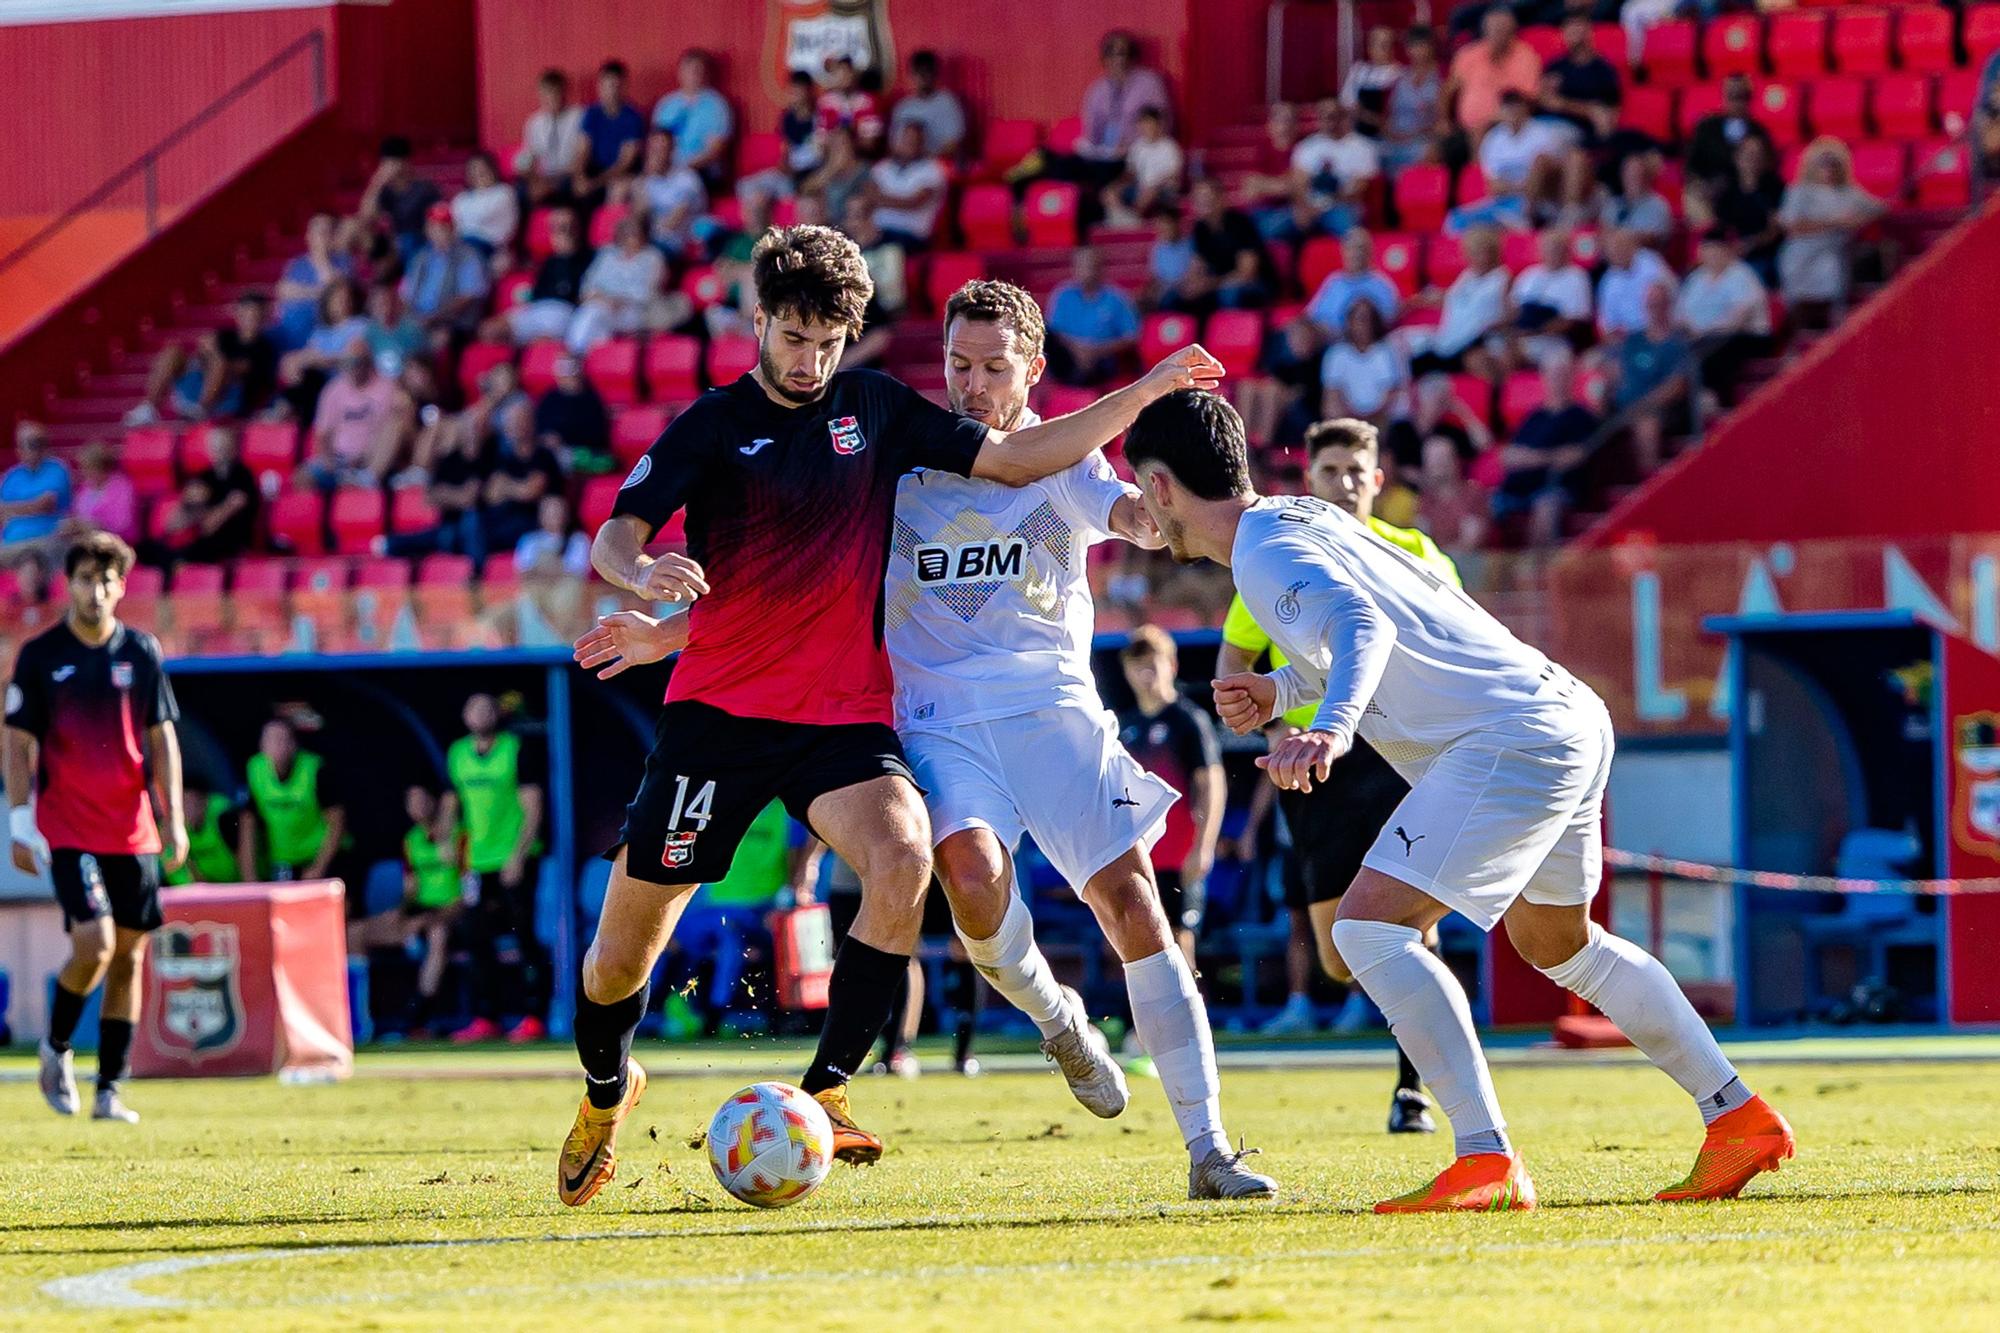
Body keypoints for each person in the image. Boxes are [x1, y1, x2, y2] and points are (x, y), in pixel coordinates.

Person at [558, 221, 1223, 1205]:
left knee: (911, 857)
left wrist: (1152, 430)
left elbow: (1022, 464)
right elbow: (622, 534)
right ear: (758, 324)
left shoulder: (879, 415)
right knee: (619, 961)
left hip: (858, 719)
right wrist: (646, 587)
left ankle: (828, 1090)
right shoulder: (715, 424)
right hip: (730, 718)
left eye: (827, 341)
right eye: (791, 337)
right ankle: (607, 1090)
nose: (808, 359)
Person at [1129, 387, 1796, 1212]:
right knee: (1562, 942)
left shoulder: (1263, 556)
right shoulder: (1303, 517)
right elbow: (1399, 625)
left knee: (1365, 927)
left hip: (1509, 739)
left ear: (1161, 487)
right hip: (1564, 715)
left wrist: (1330, 728)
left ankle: (1485, 1156)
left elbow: (1363, 631)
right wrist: (1279, 688)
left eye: (1143, 495)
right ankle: (1737, 1116)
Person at [1219, 418, 1457, 1134]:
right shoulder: (1285, 556)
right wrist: (1275, 725)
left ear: (1378, 481)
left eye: (1357, 471)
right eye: (1330, 471)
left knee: (1412, 923)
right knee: (1340, 957)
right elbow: (1233, 666)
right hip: (1318, 769)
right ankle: (1416, 1044)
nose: (1345, 483)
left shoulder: (1419, 554)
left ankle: (1416, 1086)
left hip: (1399, 756)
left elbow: (1457, 642)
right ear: (1310, 479)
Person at [11, 533, 185, 1125]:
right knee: (97, 944)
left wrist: (175, 818)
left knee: (130, 959)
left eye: (108, 580)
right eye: (87, 578)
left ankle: (110, 1087)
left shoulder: (142, 652)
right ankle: (56, 1048)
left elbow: (162, 738)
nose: (98, 590)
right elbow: (17, 744)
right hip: (68, 827)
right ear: (70, 583)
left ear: (123, 586)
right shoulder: (40, 656)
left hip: (133, 829)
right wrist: (17, 820)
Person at [1115, 628, 1225, 975]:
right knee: (1135, 937)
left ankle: (1190, 1021)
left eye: (1153, 664)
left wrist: (1203, 846)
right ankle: (1144, 1025)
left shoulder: (1188, 720)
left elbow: (1212, 785)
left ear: (1171, 665)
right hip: (1138, 853)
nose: (1145, 673)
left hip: (1178, 853)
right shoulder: (1125, 726)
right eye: (1137, 665)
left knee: (1179, 938)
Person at [445, 693, 547, 1044]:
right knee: (475, 936)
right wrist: (447, 843)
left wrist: (518, 856)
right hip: (477, 862)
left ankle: (535, 1015)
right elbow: (451, 802)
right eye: (473, 708)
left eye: (487, 708)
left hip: (513, 858)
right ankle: (485, 1017)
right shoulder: (458, 753)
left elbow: (533, 806)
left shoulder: (514, 749)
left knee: (524, 936)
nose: (480, 714)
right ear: (464, 715)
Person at [346, 785, 463, 1035]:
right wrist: (398, 913)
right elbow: (411, 890)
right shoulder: (411, 841)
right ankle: (358, 1020)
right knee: (355, 932)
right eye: (412, 802)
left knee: (437, 934)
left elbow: (467, 896)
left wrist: (427, 920)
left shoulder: (461, 839)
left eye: (423, 799)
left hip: (450, 917)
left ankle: (418, 1017)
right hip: (420, 915)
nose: (418, 807)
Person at [1492, 358, 1600, 546]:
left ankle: (1537, 571)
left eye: (1561, 375)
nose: (1556, 380)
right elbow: (1507, 456)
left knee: (1546, 506)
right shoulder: (1534, 416)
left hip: (1555, 488)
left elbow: (1573, 456)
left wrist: (1529, 457)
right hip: (1516, 489)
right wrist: (1548, 457)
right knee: (1477, 505)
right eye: (1552, 375)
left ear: (1571, 378)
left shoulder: (1581, 417)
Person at [1776, 138, 1885, 322]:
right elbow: (1793, 227)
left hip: (1834, 255)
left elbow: (1880, 209)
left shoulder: (1850, 192)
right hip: (1802, 255)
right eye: (1823, 164)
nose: (1829, 169)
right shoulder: (1799, 191)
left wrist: (1860, 220)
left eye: (1834, 164)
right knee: (1799, 307)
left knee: (1834, 300)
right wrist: (1836, 223)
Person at [129, 292, 279, 426]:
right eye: (246, 313)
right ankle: (149, 408)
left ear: (264, 317)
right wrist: (205, 354)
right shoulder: (223, 335)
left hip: (228, 400)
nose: (250, 319)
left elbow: (239, 369)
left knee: (220, 364)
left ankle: (202, 410)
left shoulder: (264, 348)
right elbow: (200, 355)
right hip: (200, 385)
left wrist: (213, 356)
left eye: (255, 315)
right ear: (238, 313)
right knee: (172, 352)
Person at [243, 718, 348, 894]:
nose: (277, 746)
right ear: (262, 745)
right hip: (284, 859)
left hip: (320, 855)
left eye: (283, 739)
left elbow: (337, 821)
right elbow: (247, 823)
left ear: (294, 745)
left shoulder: (315, 769)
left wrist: (318, 868)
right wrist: (249, 876)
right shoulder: (255, 769)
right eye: (271, 740)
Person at [1676, 226, 1772, 400]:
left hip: (1745, 336)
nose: (1711, 255)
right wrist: (1692, 331)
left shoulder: (1742, 275)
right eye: (1707, 250)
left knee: (1715, 346)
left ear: (1726, 251)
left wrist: (1705, 333)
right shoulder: (1695, 279)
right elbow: (1681, 315)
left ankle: (1718, 397)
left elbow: (1738, 319)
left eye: (1716, 250)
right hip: (1701, 337)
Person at [1071, 29, 1172, 189]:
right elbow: (1091, 131)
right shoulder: (1097, 89)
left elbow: (1162, 126)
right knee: (1055, 160)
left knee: (1102, 174)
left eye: (1122, 53)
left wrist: (1131, 148)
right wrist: (1092, 146)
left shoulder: (1149, 83)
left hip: (1134, 156)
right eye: (1111, 53)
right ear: (1104, 58)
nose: (1117, 59)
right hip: (1102, 155)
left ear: (1132, 56)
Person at [306, 344, 414, 491]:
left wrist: (362, 456)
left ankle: (367, 480)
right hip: (339, 460)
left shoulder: (386, 387)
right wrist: (329, 462)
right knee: (304, 477)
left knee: (394, 424)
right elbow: (323, 434)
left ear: (367, 363)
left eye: (357, 362)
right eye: (348, 363)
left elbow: (400, 423)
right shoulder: (333, 389)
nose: (353, 368)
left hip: (371, 458)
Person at [1610, 280, 1691, 476]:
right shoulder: (1633, 340)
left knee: (1647, 425)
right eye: (1650, 304)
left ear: (1668, 305)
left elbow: (1677, 386)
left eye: (1658, 304)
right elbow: (1618, 374)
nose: (1653, 309)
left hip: (1661, 408)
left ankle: (1646, 484)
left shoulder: (1677, 343)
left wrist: (1646, 403)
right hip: (1626, 404)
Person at [1410, 225, 1508, 378]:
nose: (1475, 257)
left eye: (1480, 252)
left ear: (1493, 252)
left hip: (1478, 340)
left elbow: (1507, 313)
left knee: (1477, 361)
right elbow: (1453, 298)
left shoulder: (1502, 278)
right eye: (1472, 252)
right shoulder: (1467, 275)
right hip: (1451, 338)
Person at [569, 215, 677, 352]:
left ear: (643, 234)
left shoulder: (653, 257)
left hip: (633, 309)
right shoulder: (607, 254)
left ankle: (573, 355)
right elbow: (588, 284)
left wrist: (619, 300)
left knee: (592, 314)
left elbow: (650, 292)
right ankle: (592, 364)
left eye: (634, 232)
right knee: (595, 321)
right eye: (626, 233)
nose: (630, 237)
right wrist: (600, 298)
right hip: (602, 304)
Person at [1044, 248, 1142, 387]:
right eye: (1083, 266)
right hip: (1069, 355)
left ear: (1101, 268)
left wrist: (1097, 350)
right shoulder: (1062, 295)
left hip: (1104, 357)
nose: (1088, 271)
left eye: (1092, 266)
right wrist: (1078, 349)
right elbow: (1054, 331)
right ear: (1075, 268)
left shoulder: (1117, 298)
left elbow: (1131, 337)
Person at [400, 206, 490, 348]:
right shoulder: (421, 257)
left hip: (450, 323)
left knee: (439, 340)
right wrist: (412, 318)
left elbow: (468, 297)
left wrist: (433, 317)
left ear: (453, 229)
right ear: (428, 230)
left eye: (444, 227)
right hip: (418, 319)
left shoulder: (468, 255)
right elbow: (406, 295)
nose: (440, 232)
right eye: (434, 227)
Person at [502, 207, 594, 345]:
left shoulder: (589, 258)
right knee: (492, 330)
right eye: (555, 228)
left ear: (577, 229)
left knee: (540, 343)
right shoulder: (549, 261)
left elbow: (579, 293)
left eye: (565, 228)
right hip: (534, 309)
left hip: (562, 310)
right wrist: (527, 295)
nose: (561, 233)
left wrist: (566, 255)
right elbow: (538, 292)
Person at [1447, 8, 1542, 137]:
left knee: (1481, 131)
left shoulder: (1526, 56)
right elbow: (1448, 90)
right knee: (1434, 150)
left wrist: (1491, 119)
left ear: (1513, 32)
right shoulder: (1469, 54)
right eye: (1494, 31)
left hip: (1507, 126)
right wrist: (1444, 121)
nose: (1499, 36)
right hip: (1464, 128)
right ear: (1485, 32)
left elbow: (1528, 98)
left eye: (1504, 30)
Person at [1507, 224, 1592, 367]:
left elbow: (1574, 320)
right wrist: (1514, 333)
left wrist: (1535, 332)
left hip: (1556, 340)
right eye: (1548, 249)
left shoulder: (1576, 276)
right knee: (1500, 355)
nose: (1552, 253)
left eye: (1557, 249)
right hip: (1522, 337)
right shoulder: (1530, 274)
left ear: (1566, 251)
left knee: (1554, 361)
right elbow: (1513, 310)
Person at [1290, 98, 1379, 232]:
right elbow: (1298, 184)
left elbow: (1360, 188)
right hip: (1310, 208)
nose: (1328, 121)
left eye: (1332, 116)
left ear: (1343, 117)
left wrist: (1324, 205)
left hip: (1343, 207)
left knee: (1350, 228)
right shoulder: (1307, 147)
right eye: (1323, 116)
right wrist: (1305, 207)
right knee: (1268, 229)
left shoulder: (1363, 147)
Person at [1185, 177, 1273, 311]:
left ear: (1221, 199)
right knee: (1179, 297)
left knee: (1230, 294)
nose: (1202, 203)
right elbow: (1196, 268)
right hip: (1221, 284)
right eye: (1198, 199)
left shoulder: (1240, 223)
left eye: (1206, 198)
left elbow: (1247, 274)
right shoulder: (1199, 229)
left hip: (1257, 285)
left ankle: (1234, 331)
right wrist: (1193, 286)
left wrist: (1210, 284)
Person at [1710, 136, 1785, 287]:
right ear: (1737, 157)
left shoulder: (1774, 188)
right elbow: (1721, 228)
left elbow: (1775, 229)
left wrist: (1751, 244)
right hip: (1731, 252)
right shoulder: (1727, 191)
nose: (1753, 159)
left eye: (1758, 154)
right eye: (1748, 154)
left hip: (1765, 254)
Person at [649, 49, 734, 183]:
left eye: (699, 70)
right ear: (680, 72)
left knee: (681, 184)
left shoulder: (717, 105)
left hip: (701, 170)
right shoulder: (666, 104)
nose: (694, 74)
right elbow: (655, 145)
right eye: (689, 69)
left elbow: (715, 151)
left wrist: (682, 167)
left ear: (706, 74)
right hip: (667, 168)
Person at [1685, 75, 1774, 199]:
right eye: (1733, 96)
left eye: (1743, 97)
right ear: (1724, 97)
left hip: (1745, 194)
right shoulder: (1707, 128)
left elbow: (1767, 171)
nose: (1738, 103)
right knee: (1693, 195)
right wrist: (1702, 184)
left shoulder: (1758, 132)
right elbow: (1692, 164)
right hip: (1709, 192)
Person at [1319, 300, 1407, 424]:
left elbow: (1390, 393)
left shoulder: (1385, 351)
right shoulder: (1337, 353)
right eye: (1360, 319)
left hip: (1379, 415)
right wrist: (1351, 414)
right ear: (1350, 322)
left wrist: (1369, 415)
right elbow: (1332, 391)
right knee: (1331, 406)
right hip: (1346, 414)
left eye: (1369, 319)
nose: (1365, 325)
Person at [358, 136, 442, 263]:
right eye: (386, 163)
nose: (390, 168)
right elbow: (366, 216)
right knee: (356, 230)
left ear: (406, 162)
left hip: (419, 243)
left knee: (408, 240)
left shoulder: (424, 189)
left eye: (394, 163)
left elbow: (437, 222)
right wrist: (376, 183)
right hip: (392, 245)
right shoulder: (384, 190)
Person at [1539, 11, 1620, 144]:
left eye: (1578, 27)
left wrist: (1565, 104)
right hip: (1541, 123)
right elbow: (1545, 99)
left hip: (1575, 131)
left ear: (1588, 31)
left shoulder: (1603, 70)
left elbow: (1604, 113)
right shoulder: (1555, 66)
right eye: (1569, 27)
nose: (1573, 32)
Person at [867, 121, 948, 253]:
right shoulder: (882, 167)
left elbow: (914, 202)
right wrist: (887, 200)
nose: (910, 144)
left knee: (884, 247)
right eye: (906, 138)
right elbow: (868, 195)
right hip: (877, 231)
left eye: (915, 139)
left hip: (912, 236)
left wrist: (880, 200)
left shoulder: (932, 169)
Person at [573, 60, 646, 207]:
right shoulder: (591, 114)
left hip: (622, 174)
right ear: (599, 86)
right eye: (607, 86)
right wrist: (579, 177)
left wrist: (594, 183)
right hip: (595, 170)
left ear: (625, 87)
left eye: (616, 86)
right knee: (572, 190)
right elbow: (582, 151)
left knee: (616, 191)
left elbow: (625, 163)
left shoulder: (633, 117)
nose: (612, 91)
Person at [629, 128, 707, 257]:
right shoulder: (645, 180)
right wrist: (642, 180)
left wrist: (643, 236)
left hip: (679, 243)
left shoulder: (687, 179)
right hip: (649, 241)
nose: (657, 154)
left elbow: (673, 222)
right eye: (653, 150)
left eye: (662, 149)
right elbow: (636, 219)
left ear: (672, 151)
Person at [0, 423, 73, 559]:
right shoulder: (12, 476)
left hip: (45, 538)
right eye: (30, 443)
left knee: (30, 562)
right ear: (18, 448)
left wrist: (11, 510)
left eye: (39, 442)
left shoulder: (57, 469)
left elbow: (45, 505)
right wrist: (31, 506)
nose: (36, 447)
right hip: (10, 541)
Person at [514, 68, 584, 207]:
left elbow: (582, 156)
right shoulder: (534, 122)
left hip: (568, 174)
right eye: (545, 93)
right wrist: (533, 179)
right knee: (519, 191)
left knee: (570, 186)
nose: (550, 98)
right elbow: (527, 156)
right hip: (544, 176)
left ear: (564, 92)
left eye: (554, 92)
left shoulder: (579, 116)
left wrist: (553, 183)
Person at [1101, 107, 1183, 226]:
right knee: (1109, 191)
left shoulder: (1170, 147)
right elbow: (1131, 173)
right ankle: (1122, 220)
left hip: (1163, 190)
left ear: (1159, 125)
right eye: (1143, 124)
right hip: (1141, 187)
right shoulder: (1137, 147)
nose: (1146, 127)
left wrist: (1154, 185)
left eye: (1149, 123)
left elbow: (1173, 176)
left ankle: (1134, 219)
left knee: (1150, 191)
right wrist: (1118, 185)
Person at [1381, 27, 1446, 175]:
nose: (1418, 50)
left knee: (1427, 153)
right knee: (1371, 153)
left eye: (1422, 45)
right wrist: (1391, 133)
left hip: (1424, 139)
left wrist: (1414, 134)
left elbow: (1442, 120)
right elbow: (1388, 115)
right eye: (1413, 46)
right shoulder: (1400, 77)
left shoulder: (1442, 76)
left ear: (1432, 47)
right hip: (1395, 138)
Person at [1595, 226, 1675, 343]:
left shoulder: (1650, 262)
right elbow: (1608, 326)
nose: (1617, 253)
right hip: (1627, 339)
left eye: (1620, 247)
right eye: (1611, 251)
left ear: (1633, 246)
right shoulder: (1608, 280)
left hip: (1658, 333)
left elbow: (1665, 302)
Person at [534, 353, 611, 465]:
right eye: (562, 370)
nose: (567, 376)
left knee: (556, 460)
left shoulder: (591, 400)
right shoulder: (549, 398)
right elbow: (539, 425)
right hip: (551, 449)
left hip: (585, 453)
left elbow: (596, 435)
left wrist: (562, 439)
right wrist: (546, 438)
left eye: (570, 370)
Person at [890, 49, 966, 161]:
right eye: (918, 73)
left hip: (936, 164)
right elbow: (894, 145)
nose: (923, 78)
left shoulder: (947, 103)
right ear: (911, 75)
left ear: (935, 74)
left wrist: (925, 159)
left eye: (927, 73)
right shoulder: (903, 107)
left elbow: (952, 146)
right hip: (906, 164)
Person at [64, 441, 139, 547]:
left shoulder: (122, 487)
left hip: (118, 544)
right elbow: (76, 514)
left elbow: (123, 525)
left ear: (102, 468)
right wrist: (72, 524)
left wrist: (95, 526)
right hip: (87, 541)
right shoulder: (85, 488)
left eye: (88, 468)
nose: (84, 472)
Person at [450, 151, 519, 258]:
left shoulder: (504, 192)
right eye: (473, 169)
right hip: (462, 242)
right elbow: (453, 223)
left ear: (492, 169)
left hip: (492, 245)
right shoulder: (462, 198)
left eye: (482, 169)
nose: (478, 173)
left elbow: (482, 216)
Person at [1342, 26, 1407, 137]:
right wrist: (1369, 117)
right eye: (1382, 45)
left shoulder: (1401, 73)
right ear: (1370, 48)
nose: (1387, 49)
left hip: (1389, 135)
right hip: (1358, 135)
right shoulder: (1358, 70)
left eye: (1390, 45)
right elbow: (1347, 103)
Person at [815, 55, 885, 153]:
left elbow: (870, 143)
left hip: (862, 157)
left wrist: (845, 142)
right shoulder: (826, 102)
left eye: (848, 73)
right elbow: (821, 143)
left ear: (854, 75)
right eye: (840, 73)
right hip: (833, 157)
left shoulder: (867, 101)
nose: (844, 77)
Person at [1605, 152, 1673, 251]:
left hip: (1646, 261)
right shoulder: (1613, 204)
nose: (1633, 179)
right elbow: (1603, 235)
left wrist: (1622, 239)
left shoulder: (1659, 206)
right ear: (1622, 176)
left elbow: (1654, 241)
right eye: (1629, 174)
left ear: (1647, 177)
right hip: (1613, 263)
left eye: (1637, 174)